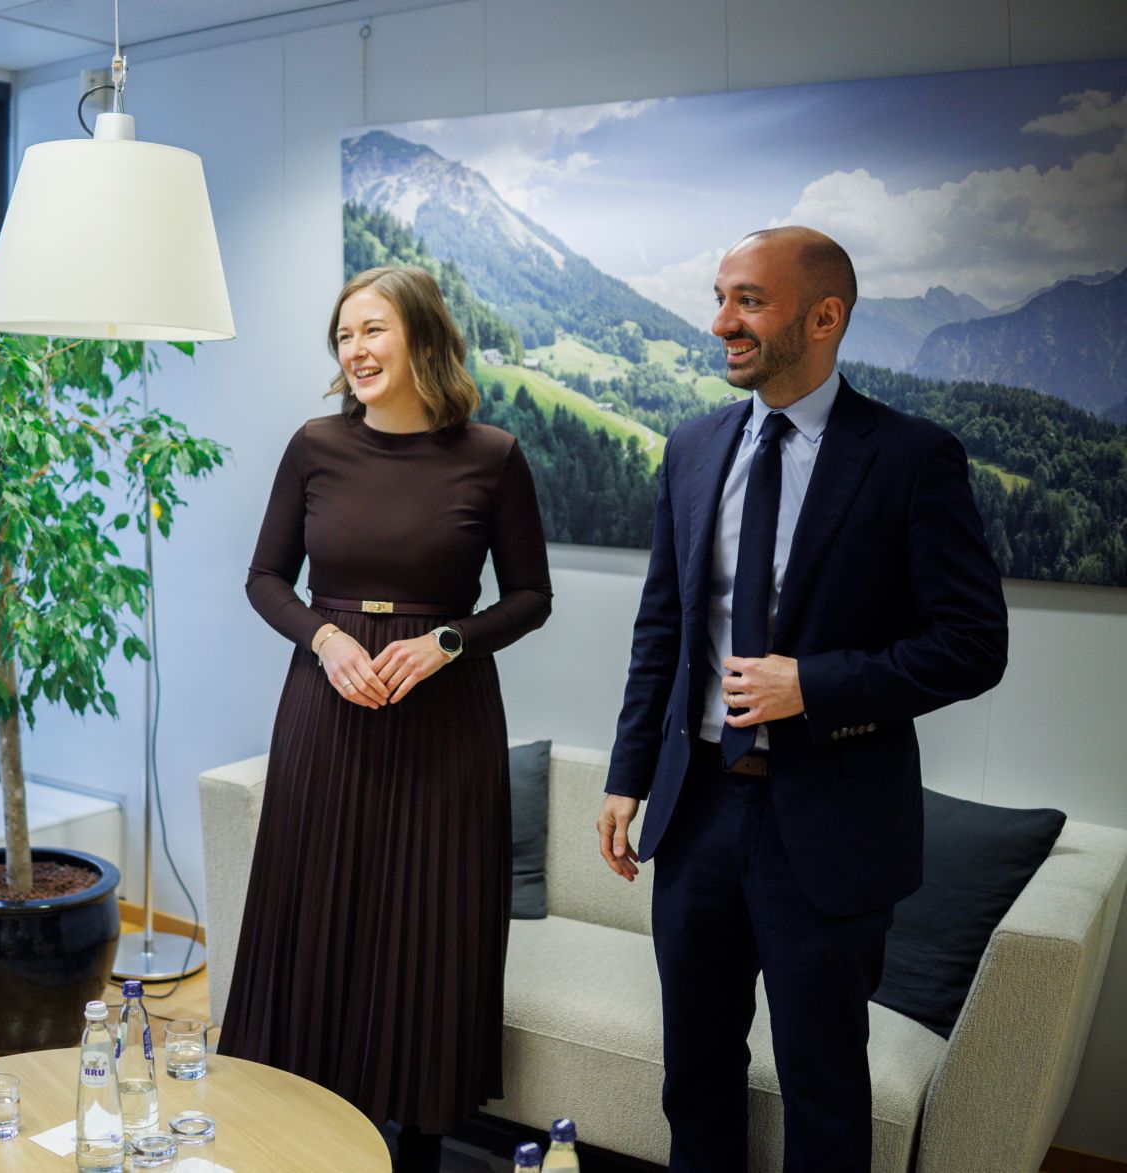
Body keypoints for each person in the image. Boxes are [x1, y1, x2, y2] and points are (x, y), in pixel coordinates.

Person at [598, 227, 1008, 1172]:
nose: (719, 322)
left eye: (748, 301)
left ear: (824, 318)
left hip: (828, 827)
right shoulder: (693, 448)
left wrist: (811, 685)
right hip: (694, 808)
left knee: (824, 1091)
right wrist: (627, 776)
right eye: (719, 296)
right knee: (694, 1075)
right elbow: (662, 628)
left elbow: (973, 645)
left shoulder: (912, 458)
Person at [218, 266, 553, 1173]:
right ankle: (296, 1132)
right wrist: (325, 642)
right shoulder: (314, 446)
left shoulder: (493, 455)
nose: (355, 351)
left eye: (373, 331)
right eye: (343, 336)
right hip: (327, 711)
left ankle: (422, 1147)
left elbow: (530, 597)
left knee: (429, 931)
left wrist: (449, 641)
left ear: (422, 337)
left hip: (445, 724)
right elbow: (263, 579)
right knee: (314, 915)